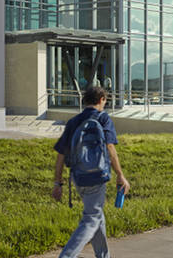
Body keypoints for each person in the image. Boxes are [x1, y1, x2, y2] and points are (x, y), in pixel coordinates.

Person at [52, 86, 131, 258]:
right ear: (101, 99)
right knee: (91, 218)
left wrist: (57, 183)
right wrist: (120, 175)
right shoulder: (103, 119)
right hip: (97, 176)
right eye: (105, 100)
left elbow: (61, 155)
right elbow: (110, 147)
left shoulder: (74, 121)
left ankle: (103, 256)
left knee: (96, 215)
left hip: (78, 177)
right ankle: (66, 256)